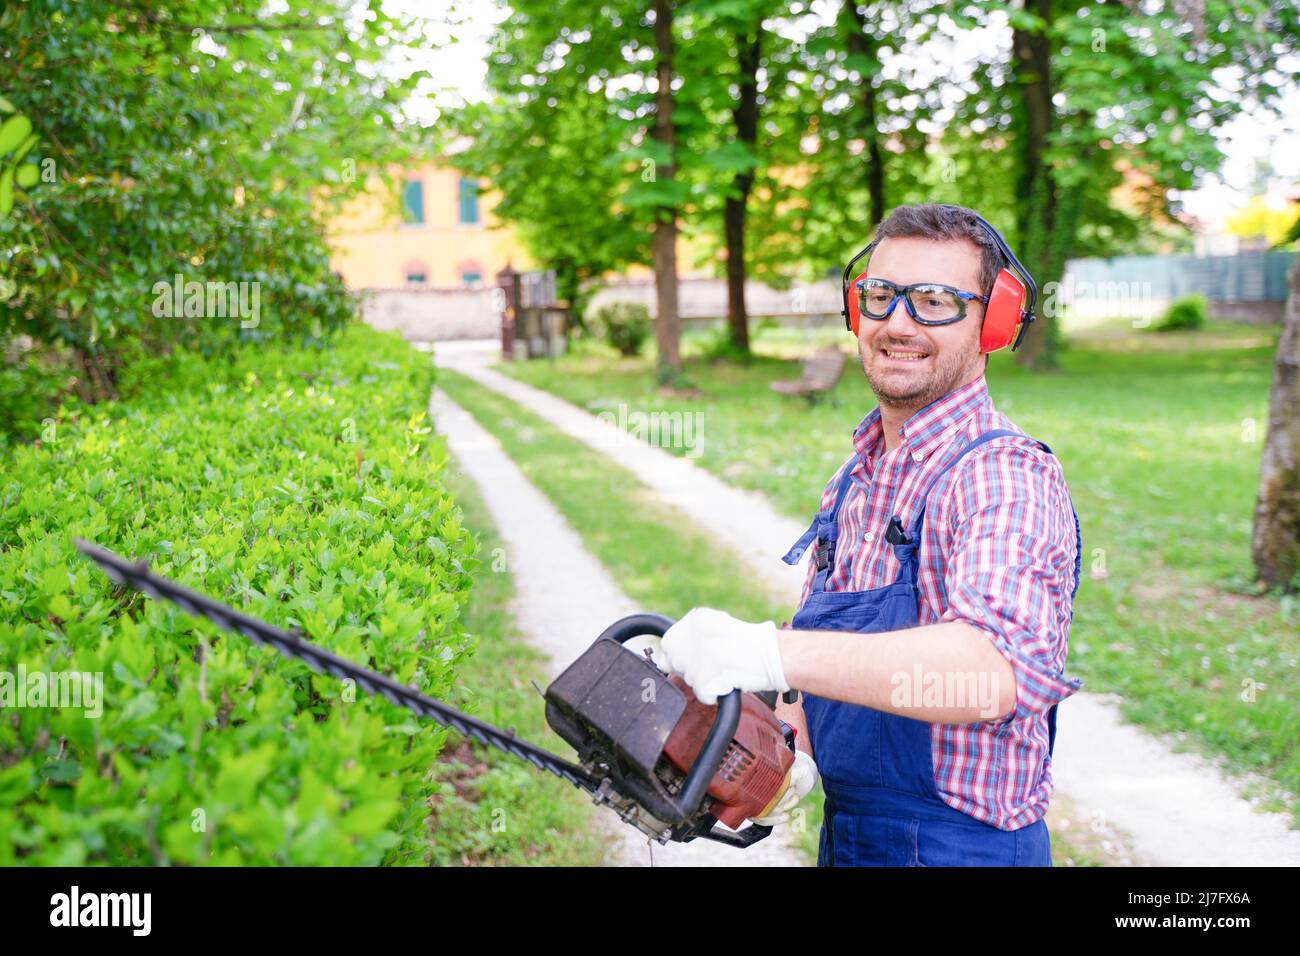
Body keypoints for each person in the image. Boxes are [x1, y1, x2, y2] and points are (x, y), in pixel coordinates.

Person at [661, 203, 1083, 866]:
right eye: (881, 296)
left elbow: (991, 672)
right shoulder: (858, 476)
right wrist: (784, 749)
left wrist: (767, 653)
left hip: (962, 853)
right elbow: (831, 642)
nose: (899, 323)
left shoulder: (1002, 476)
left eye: (937, 301)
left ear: (993, 323)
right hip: (851, 839)